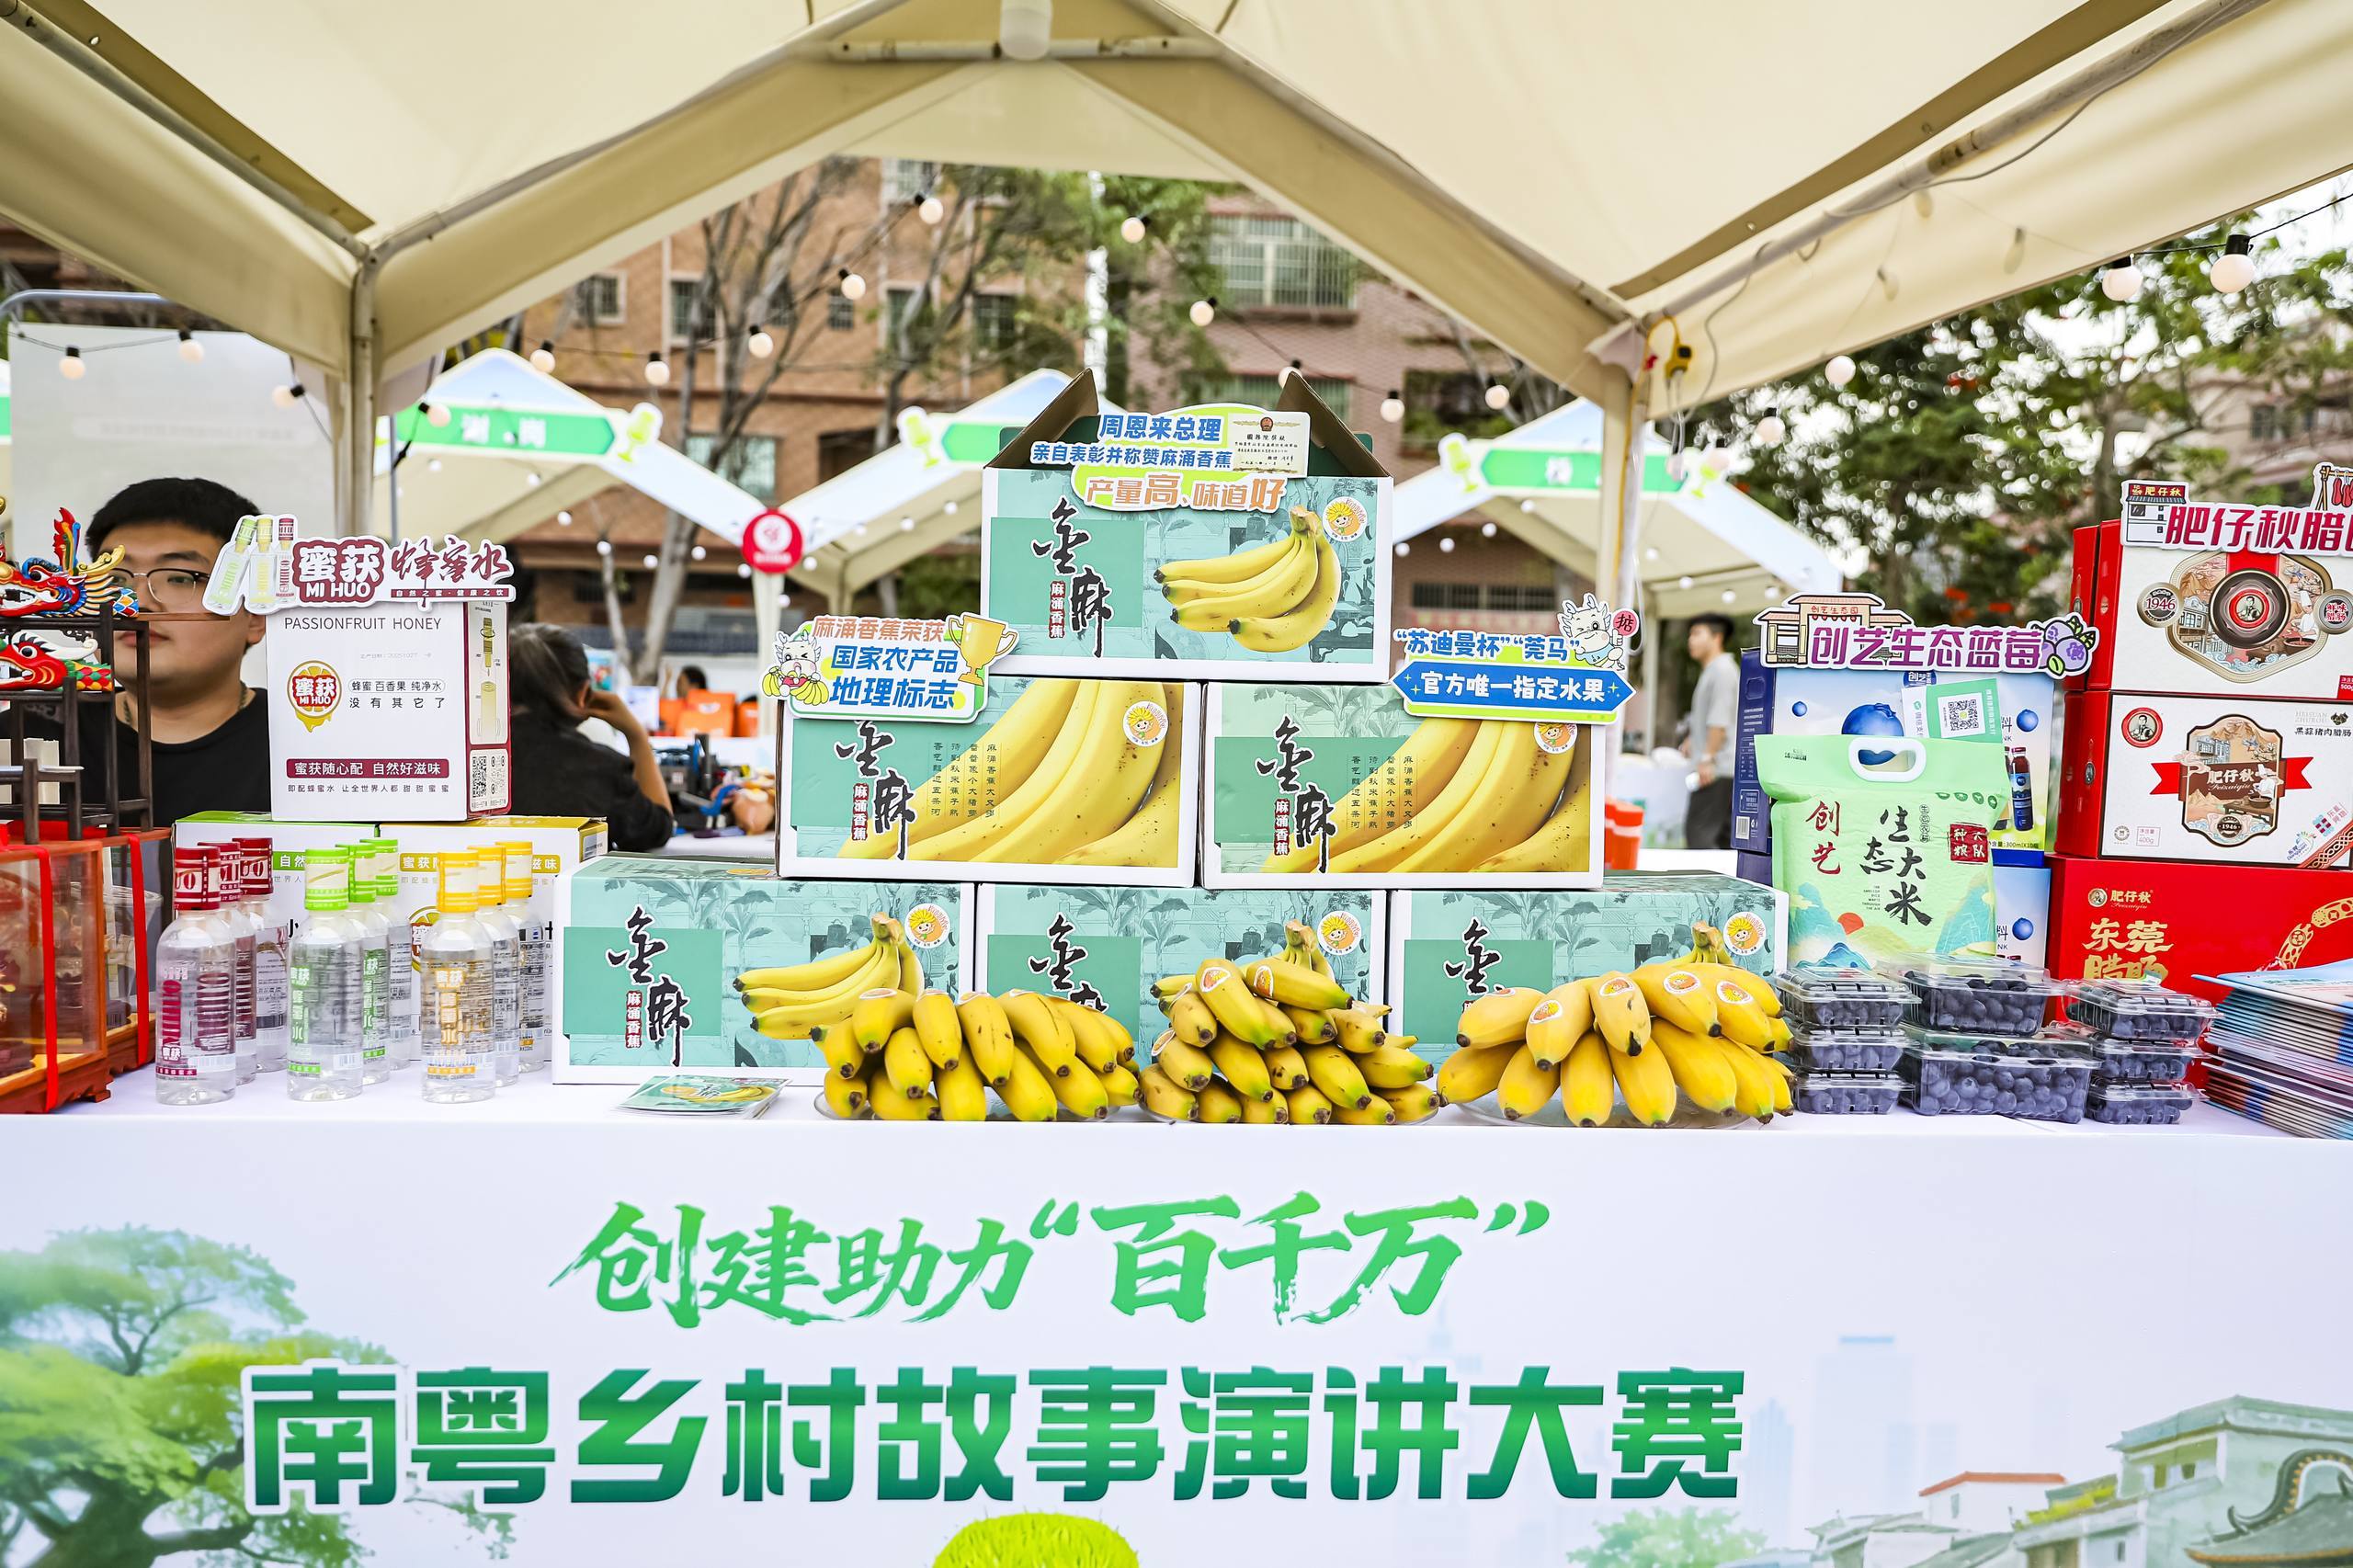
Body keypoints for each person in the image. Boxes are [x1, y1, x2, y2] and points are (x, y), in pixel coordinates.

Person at [46, 477, 271, 826]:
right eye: (114, 579)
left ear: (255, 615)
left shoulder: (313, 741)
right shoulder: (31, 734)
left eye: (180, 578)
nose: (137, 603)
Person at [506, 624, 677, 851]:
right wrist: (636, 735)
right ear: (584, 693)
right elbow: (657, 831)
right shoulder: (602, 767)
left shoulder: (466, 763)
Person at [1683, 613, 1740, 850]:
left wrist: (1707, 758)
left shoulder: (1722, 670)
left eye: (1697, 633)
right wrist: (1693, 739)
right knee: (1723, 840)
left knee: (1699, 836)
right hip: (1722, 769)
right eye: (1690, 635)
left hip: (1715, 769)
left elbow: (1720, 719)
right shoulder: (1714, 670)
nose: (1691, 640)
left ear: (1717, 637)